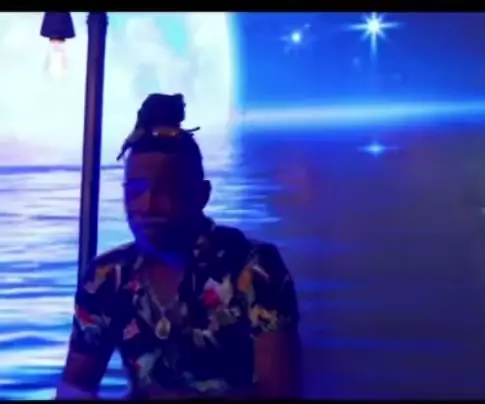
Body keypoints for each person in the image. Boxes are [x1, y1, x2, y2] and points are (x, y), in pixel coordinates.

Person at [56, 93, 301, 399]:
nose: (147, 206)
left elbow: (282, 393)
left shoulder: (253, 268)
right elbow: (75, 386)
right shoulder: (107, 277)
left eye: (165, 190)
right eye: (134, 191)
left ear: (202, 195)